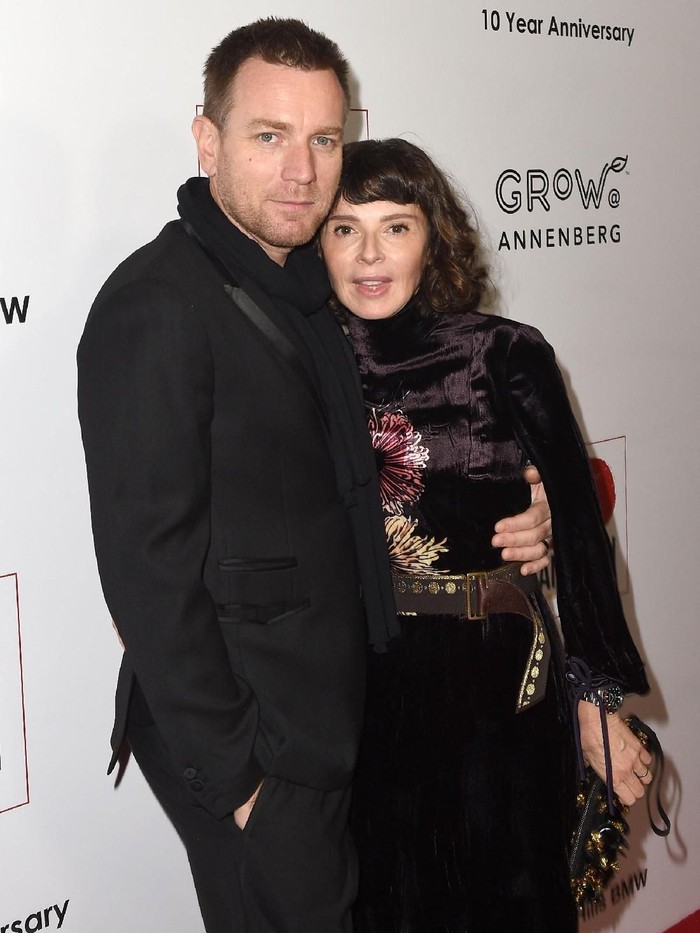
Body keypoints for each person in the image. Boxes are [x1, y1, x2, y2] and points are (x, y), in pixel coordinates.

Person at [76, 20, 552, 933]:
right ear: (207, 140)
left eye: (323, 139)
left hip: (332, 721)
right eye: (269, 136)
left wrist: (530, 504)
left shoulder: (302, 289)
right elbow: (147, 574)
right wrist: (245, 781)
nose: (302, 170)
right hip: (261, 743)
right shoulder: (158, 307)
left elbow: (416, 440)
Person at [319, 137, 652, 933]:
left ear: (433, 236)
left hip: (495, 686)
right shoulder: (307, 360)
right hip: (362, 693)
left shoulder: (503, 353)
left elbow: (576, 529)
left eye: (395, 226)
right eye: (343, 228)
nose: (369, 253)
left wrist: (595, 702)